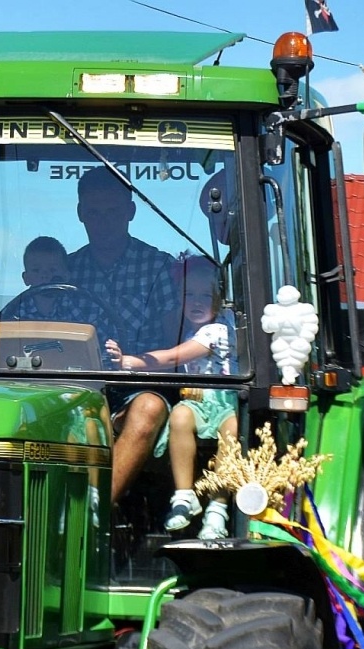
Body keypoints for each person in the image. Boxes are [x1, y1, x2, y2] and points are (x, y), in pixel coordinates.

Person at [65, 168, 181, 502]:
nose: (103, 221)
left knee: (148, 408)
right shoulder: (67, 268)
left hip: (138, 384)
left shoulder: (158, 265)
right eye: (94, 213)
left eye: (113, 212)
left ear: (130, 212)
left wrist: (134, 363)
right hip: (75, 383)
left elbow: (173, 341)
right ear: (81, 214)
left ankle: (94, 515)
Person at [106, 256, 240, 538]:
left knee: (233, 431)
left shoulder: (217, 331)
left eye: (206, 295)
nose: (196, 302)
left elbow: (172, 357)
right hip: (198, 404)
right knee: (179, 415)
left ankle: (218, 506)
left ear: (221, 298)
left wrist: (129, 362)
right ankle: (184, 495)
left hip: (226, 403)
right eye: (189, 295)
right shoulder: (192, 328)